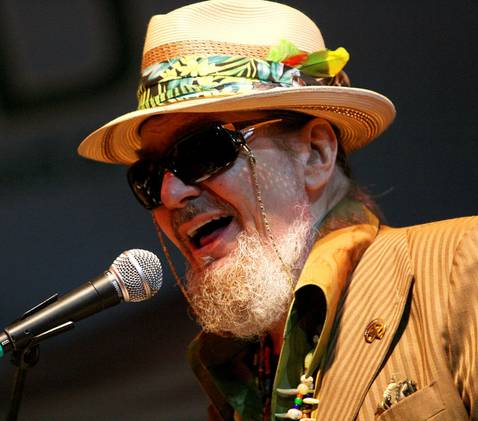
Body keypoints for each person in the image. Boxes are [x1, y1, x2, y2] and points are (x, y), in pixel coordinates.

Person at [77, 0, 478, 419]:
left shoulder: (461, 269)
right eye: (149, 174)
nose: (171, 191)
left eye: (202, 150)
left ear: (316, 154)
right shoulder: (235, 376)